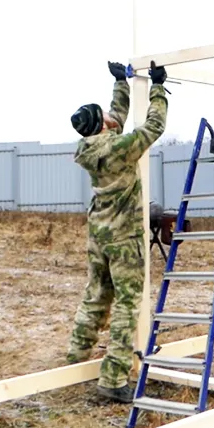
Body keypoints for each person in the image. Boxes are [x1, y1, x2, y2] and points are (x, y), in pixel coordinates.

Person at [66, 60, 168, 403]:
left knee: (97, 293)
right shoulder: (120, 148)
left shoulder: (93, 148)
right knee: (127, 304)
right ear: (103, 126)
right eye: (107, 117)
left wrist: (120, 84)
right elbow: (154, 126)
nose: (112, 118)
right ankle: (112, 379)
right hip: (124, 239)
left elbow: (115, 116)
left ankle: (75, 356)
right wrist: (158, 87)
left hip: (99, 235)